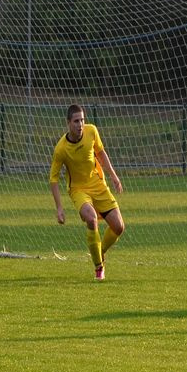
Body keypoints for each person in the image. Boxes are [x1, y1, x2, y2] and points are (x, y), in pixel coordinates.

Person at [49, 104, 126, 280]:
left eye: (82, 120)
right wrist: (59, 208)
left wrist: (114, 176)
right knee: (91, 219)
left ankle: (99, 251)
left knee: (119, 227)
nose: (80, 124)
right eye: (76, 121)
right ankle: (99, 267)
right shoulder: (61, 149)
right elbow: (53, 179)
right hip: (78, 190)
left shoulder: (92, 131)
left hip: (98, 185)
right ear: (68, 123)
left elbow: (101, 153)